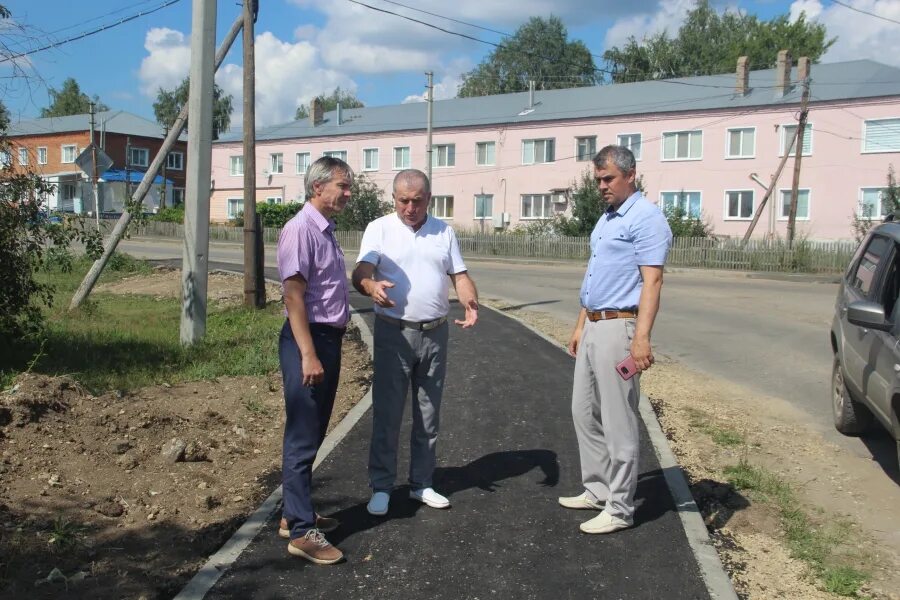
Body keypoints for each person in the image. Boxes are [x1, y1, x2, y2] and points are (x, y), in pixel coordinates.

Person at [352, 168, 478, 517]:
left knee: (428, 414)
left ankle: (422, 483)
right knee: (388, 413)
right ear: (393, 199)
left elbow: (460, 275)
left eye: (417, 201)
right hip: (395, 332)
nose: (410, 207)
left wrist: (469, 300)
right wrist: (370, 287)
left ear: (429, 199)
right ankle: (381, 486)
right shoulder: (379, 228)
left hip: (435, 333)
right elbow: (362, 270)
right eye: (403, 200)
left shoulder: (444, 231)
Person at [559, 145, 672, 534]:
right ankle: (599, 488)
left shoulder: (646, 218)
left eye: (608, 179)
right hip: (593, 324)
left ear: (631, 175)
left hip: (620, 329)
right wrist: (580, 324)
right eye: (598, 180)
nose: (602, 186)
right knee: (583, 410)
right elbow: (595, 276)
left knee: (618, 419)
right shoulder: (607, 218)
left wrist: (642, 337)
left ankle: (621, 508)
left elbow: (652, 280)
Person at [276, 156, 353, 564]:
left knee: (315, 429)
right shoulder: (300, 230)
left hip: (327, 340)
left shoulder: (325, 231)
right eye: (342, 185)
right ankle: (304, 532)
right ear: (317, 187)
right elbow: (293, 297)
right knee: (303, 433)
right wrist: (308, 353)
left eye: (348, 185)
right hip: (309, 342)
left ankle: (294, 514)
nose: (347, 193)